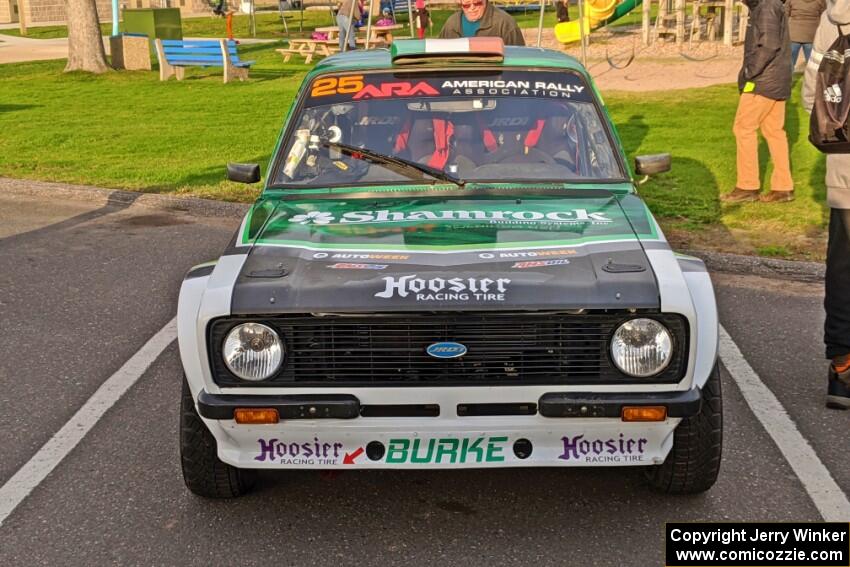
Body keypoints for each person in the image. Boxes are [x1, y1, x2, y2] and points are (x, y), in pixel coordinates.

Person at [802, 0, 850, 409]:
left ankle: (842, 369)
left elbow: (812, 90)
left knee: (843, 268)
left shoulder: (835, 15)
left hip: (845, 165)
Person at [724, 0, 795, 203]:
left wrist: (749, 72)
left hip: (763, 81)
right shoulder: (768, 6)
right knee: (774, 132)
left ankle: (747, 186)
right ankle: (783, 187)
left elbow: (769, 45)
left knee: (743, 128)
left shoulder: (766, 7)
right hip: (776, 80)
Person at [439, 0, 525, 46]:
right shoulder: (451, 24)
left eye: (477, 3)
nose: (472, 8)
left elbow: (520, 59)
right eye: (466, 5)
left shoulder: (505, 24)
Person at [786, 0, 827, 71]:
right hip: (811, 34)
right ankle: (812, 81)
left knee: (790, 62)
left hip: (794, 33)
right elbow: (824, 15)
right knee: (812, 63)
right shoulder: (820, 1)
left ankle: (788, 81)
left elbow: (785, 14)